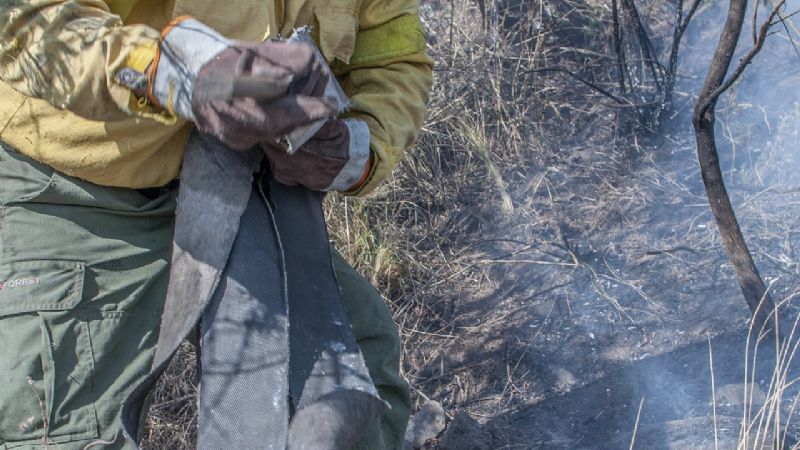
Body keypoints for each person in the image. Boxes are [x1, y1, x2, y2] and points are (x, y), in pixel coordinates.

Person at [0, 1, 433, 449]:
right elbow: (27, 20)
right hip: (77, 190)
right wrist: (176, 69)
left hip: (244, 182)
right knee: (63, 425)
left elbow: (395, 59)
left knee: (351, 378)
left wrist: (357, 148)